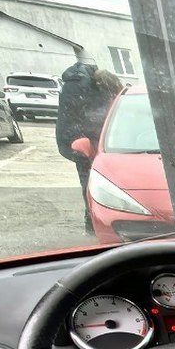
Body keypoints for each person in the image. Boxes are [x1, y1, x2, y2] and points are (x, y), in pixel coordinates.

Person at [56, 55, 124, 227]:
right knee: (90, 182)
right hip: (82, 145)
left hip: (78, 141)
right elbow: (94, 119)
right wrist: (85, 146)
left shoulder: (78, 85)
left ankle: (92, 219)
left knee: (89, 182)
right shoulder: (87, 89)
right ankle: (93, 220)